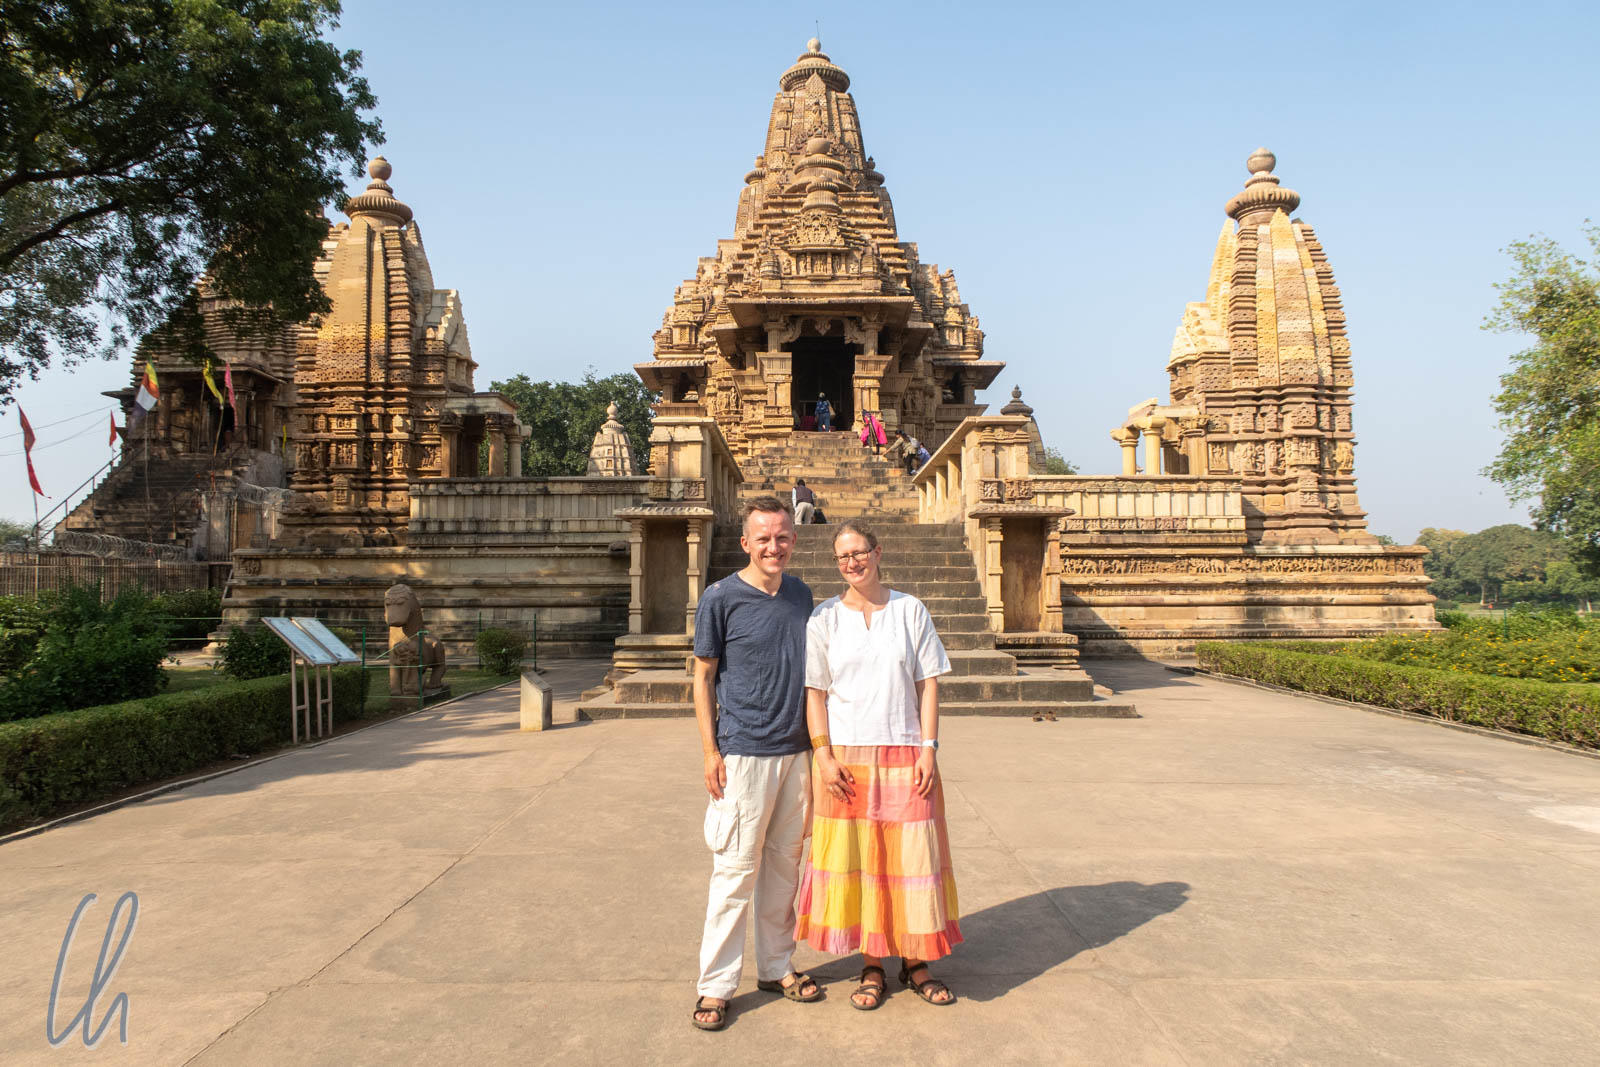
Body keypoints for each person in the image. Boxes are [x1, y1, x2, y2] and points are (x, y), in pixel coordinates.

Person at [796, 519, 961, 1011]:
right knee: (864, 865)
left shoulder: (910, 610)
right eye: (842, 556)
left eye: (859, 552)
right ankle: (872, 964)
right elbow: (815, 693)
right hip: (846, 759)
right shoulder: (824, 618)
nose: (852, 562)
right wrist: (822, 755)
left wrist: (929, 747)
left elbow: (928, 683)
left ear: (877, 551)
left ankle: (914, 961)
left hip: (905, 753)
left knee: (912, 862)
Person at [691, 497, 822, 1031]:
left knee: (784, 870)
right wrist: (709, 750)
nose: (774, 547)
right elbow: (701, 677)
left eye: (783, 537)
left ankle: (776, 966)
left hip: (797, 752)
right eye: (763, 538)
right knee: (734, 872)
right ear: (745, 543)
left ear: (794, 539)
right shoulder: (720, 598)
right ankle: (717, 985)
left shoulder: (801, 595)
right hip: (743, 752)